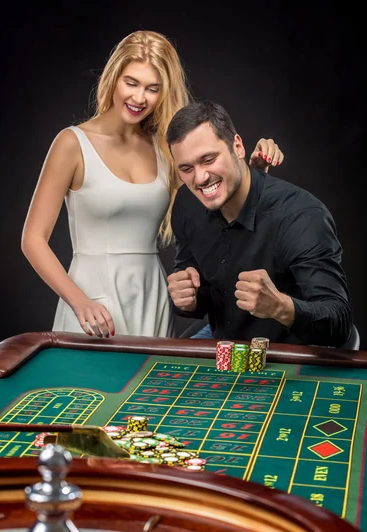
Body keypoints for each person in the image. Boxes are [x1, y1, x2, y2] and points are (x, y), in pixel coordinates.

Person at [21, 31, 283, 339]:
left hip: (151, 295)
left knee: (145, 387)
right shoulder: (71, 143)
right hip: (89, 298)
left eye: (152, 88)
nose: (139, 98)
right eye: (131, 83)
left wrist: (252, 171)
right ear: (113, 78)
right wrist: (80, 303)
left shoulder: (164, 150)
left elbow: (215, 203)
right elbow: (33, 239)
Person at [166, 100, 352, 347]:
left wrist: (280, 307)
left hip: (290, 352)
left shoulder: (301, 215)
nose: (200, 178)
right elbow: (200, 291)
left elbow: (338, 322)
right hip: (224, 343)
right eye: (187, 168)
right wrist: (187, 299)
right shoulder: (187, 204)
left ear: (238, 147)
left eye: (209, 159)